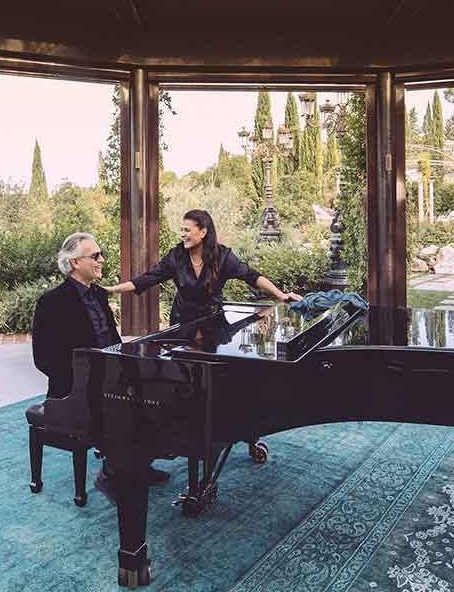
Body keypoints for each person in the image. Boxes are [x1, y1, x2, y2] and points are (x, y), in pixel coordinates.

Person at [31, 232, 169, 502]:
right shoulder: (51, 302)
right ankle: (112, 472)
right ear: (74, 263)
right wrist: (84, 381)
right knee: (122, 409)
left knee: (156, 396)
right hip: (73, 388)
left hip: (110, 375)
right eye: (95, 256)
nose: (102, 260)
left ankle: (137, 463)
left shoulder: (99, 295)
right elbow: (43, 358)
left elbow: (112, 341)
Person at [104, 209, 302, 323]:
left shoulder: (223, 256)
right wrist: (113, 290)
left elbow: (253, 276)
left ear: (203, 232)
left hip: (214, 322)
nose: (182, 234)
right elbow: (145, 279)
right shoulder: (176, 256)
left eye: (187, 230)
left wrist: (282, 296)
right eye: (181, 230)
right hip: (181, 323)